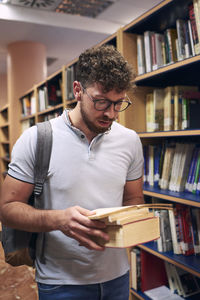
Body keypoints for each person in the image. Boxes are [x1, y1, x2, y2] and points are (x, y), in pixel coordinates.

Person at [0, 45, 144, 300]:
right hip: (60, 283)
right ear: (78, 90)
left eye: (119, 103)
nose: (110, 113)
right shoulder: (36, 139)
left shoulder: (130, 141)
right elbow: (7, 208)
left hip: (118, 277)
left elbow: (133, 199)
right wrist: (58, 220)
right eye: (101, 101)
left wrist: (133, 226)